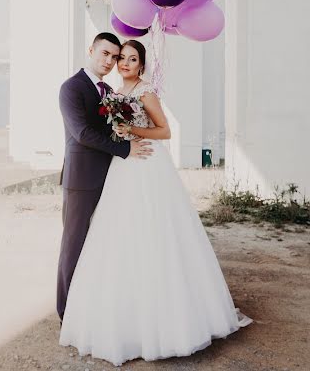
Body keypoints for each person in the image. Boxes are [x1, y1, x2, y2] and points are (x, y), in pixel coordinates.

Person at [59, 39, 252, 366]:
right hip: (118, 168)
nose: (122, 63)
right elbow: (85, 131)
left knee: (154, 232)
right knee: (109, 237)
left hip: (145, 164)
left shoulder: (145, 92)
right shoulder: (106, 92)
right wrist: (122, 137)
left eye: (130, 59)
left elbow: (164, 131)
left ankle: (164, 317)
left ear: (142, 65)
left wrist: (131, 130)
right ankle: (86, 309)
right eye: (119, 57)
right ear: (96, 54)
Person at [57, 33, 153, 324]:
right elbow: (82, 133)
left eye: (114, 56)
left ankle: (91, 305)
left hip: (111, 178)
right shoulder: (71, 88)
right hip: (82, 180)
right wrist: (125, 148)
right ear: (91, 50)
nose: (110, 61)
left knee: (101, 244)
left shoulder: (109, 91)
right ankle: (66, 312)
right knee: (74, 244)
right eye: (105, 54)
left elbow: (113, 128)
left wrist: (128, 134)